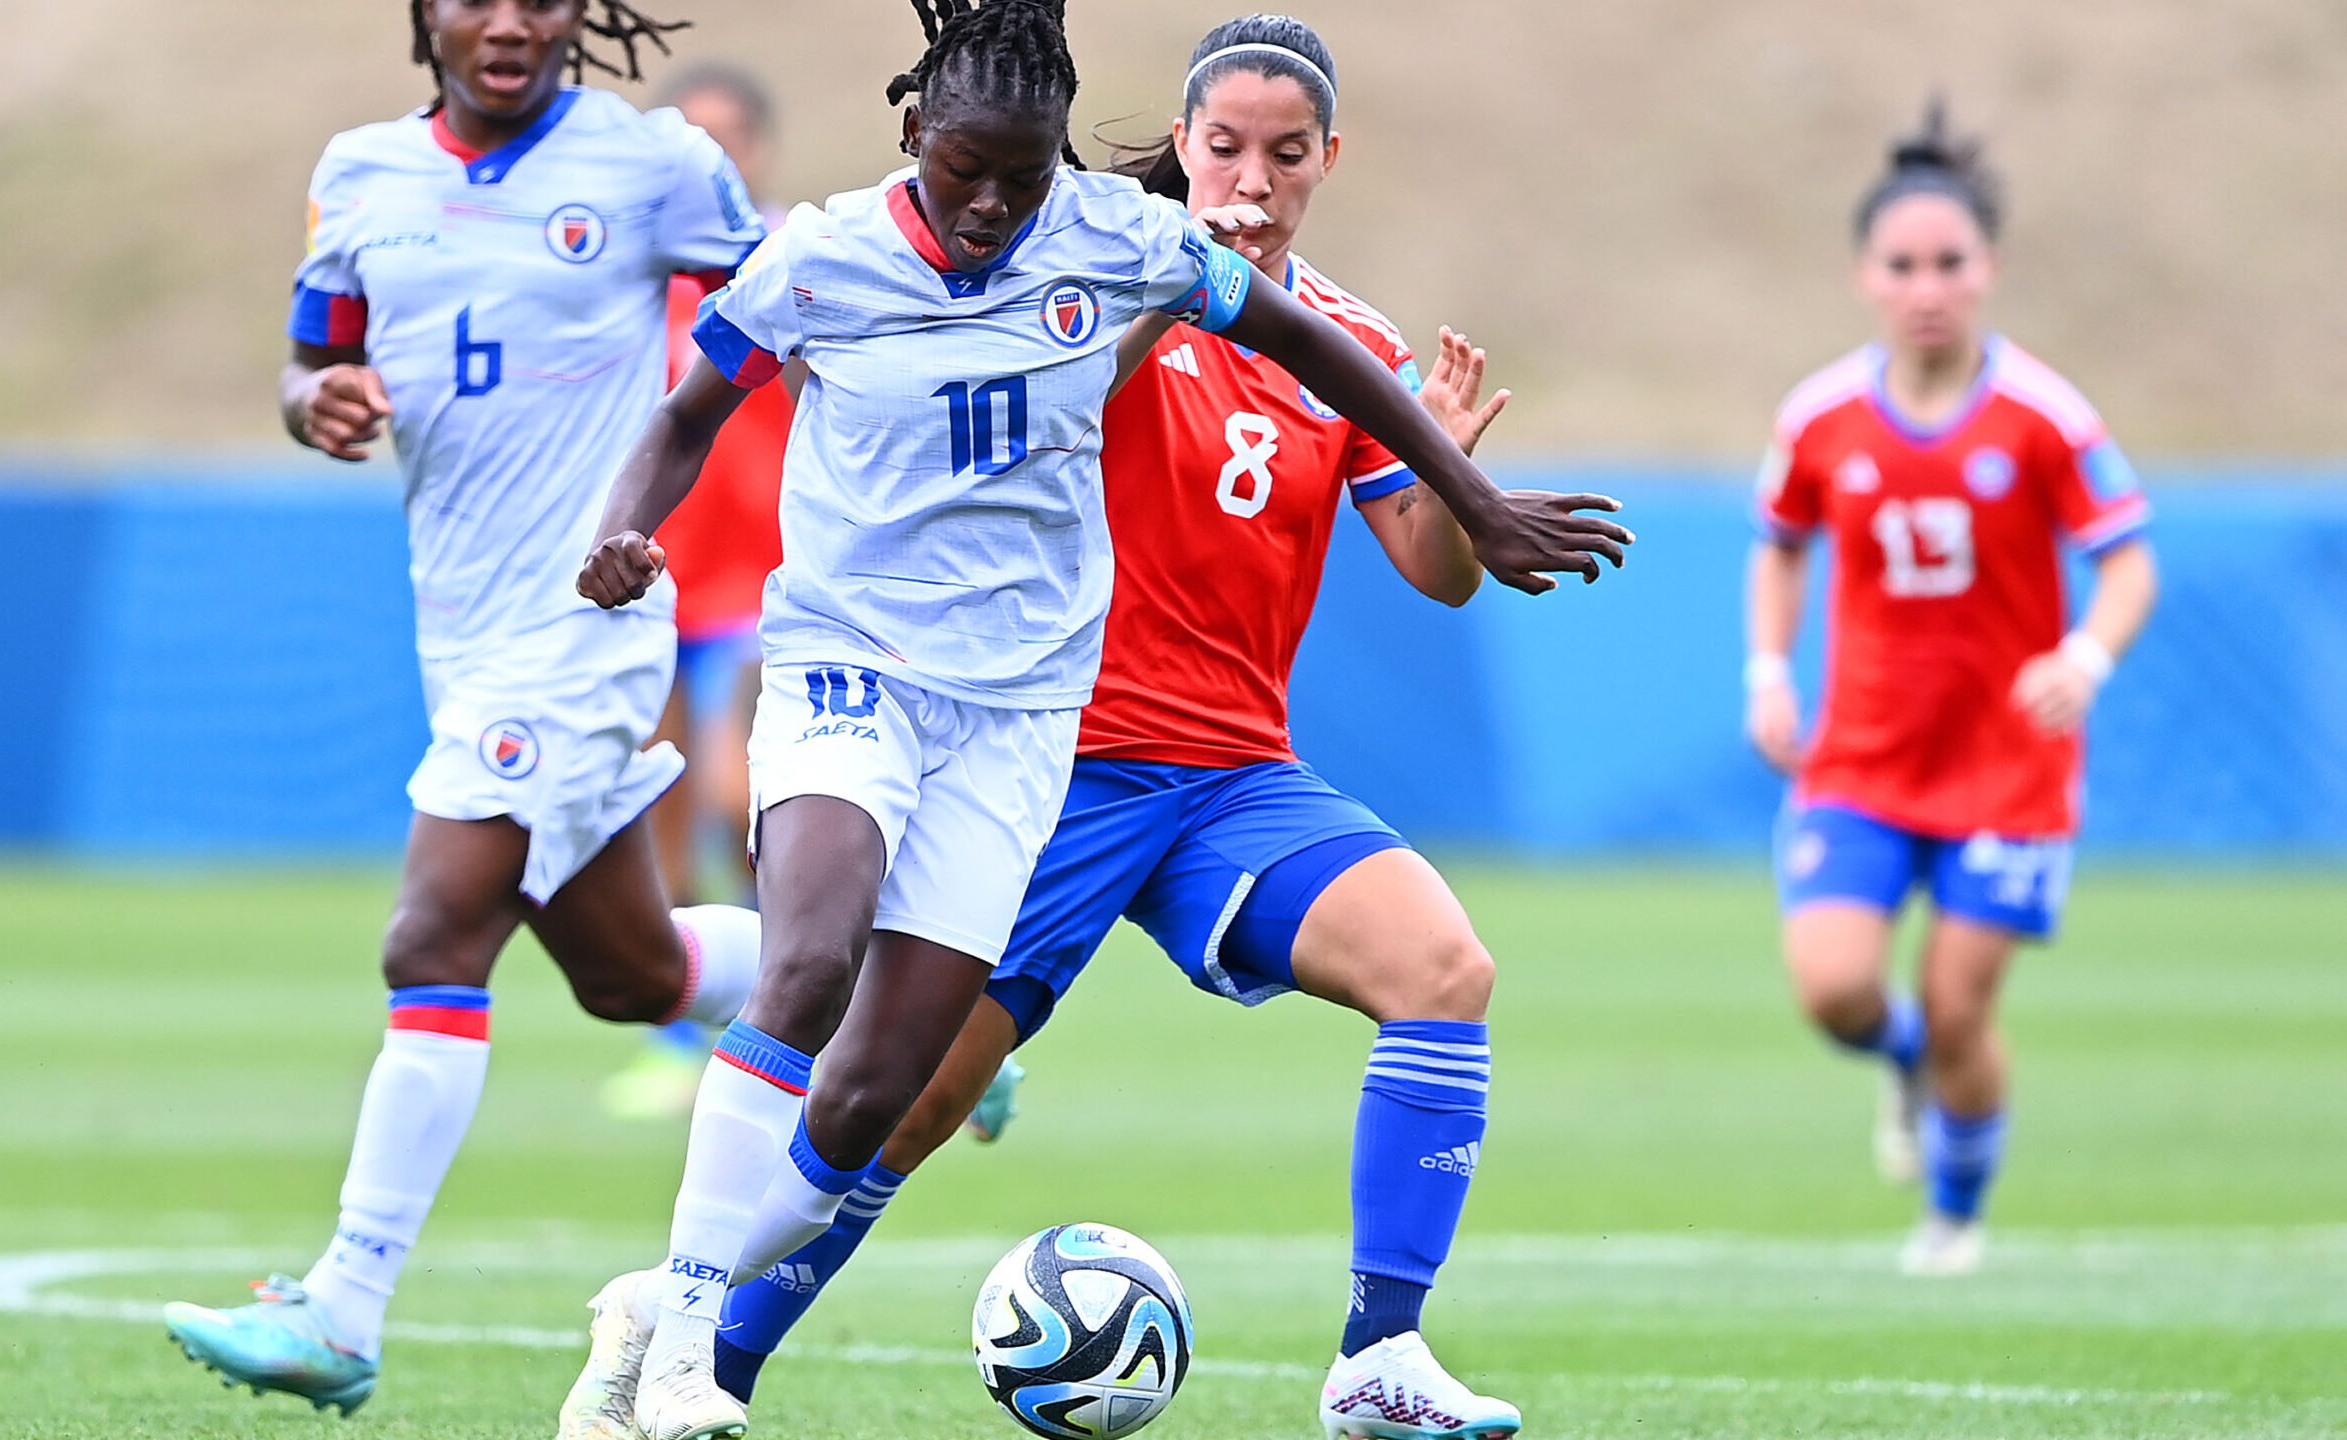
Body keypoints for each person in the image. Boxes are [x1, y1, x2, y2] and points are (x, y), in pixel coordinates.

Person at [554, 4, 1631, 1436]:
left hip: (1231, 773)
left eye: (1285, 153)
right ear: (1179, 146)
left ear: (1325, 161)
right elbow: (1009, 399)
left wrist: (1454, 487)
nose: (1253, 176)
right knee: (908, 1099)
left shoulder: (1340, 339)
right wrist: (1150, 310)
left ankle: (1381, 1359)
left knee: (1443, 967)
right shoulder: (1087, 270)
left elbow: (1429, 576)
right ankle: (704, 1341)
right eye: (1226, 146)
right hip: (1052, 751)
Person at [159, 0, 771, 1414]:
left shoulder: (655, 164)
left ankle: (345, 1309)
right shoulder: (363, 172)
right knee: (635, 980)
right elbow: (311, 360)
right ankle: (883, 996)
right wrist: (315, 401)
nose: (510, 21)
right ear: (426, 13)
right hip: (465, 628)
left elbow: (808, 307)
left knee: (433, 925)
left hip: (592, 614)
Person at [1744, 101, 2157, 1276]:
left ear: (1988, 270)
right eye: (1902, 265)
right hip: (1863, 756)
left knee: (1962, 1000)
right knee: (1833, 991)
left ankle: (1954, 1212)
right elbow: (1777, 545)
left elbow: (2127, 559)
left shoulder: (2043, 416)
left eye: (1949, 263)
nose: (1927, 286)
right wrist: (1769, 669)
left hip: (2004, 767)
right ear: (1864, 275)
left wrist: (2082, 658)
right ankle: (1905, 1062)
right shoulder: (1819, 416)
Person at [604, 62, 795, 1122]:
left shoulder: (783, 260)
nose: (709, 158)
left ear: (757, 149)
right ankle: (686, 1039)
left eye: (726, 137)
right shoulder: (637, 272)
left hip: (764, 579)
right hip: (653, 577)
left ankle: (811, 1015)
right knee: (663, 816)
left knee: (745, 801)